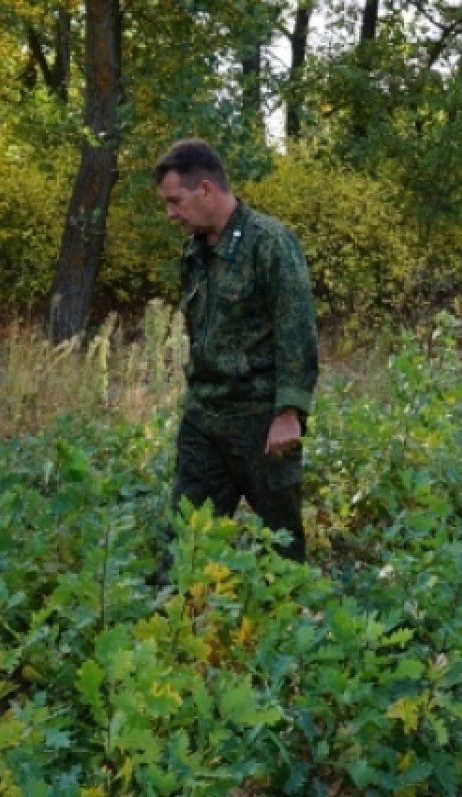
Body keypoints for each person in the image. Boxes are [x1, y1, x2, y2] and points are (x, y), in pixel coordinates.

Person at [153, 138, 318, 567]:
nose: (170, 213)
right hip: (204, 421)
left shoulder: (271, 244)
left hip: (262, 426)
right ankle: (180, 622)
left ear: (205, 189)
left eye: (175, 201)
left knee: (282, 551)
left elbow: (296, 330)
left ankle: (290, 623)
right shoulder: (194, 252)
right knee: (186, 546)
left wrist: (289, 413)